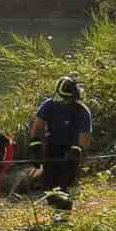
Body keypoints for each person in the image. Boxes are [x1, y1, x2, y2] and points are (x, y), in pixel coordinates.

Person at [29, 77, 91, 210]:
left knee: (65, 184)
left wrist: (76, 150)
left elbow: (84, 138)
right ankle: (56, 209)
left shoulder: (82, 112)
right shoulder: (49, 105)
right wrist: (35, 147)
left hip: (72, 150)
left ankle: (63, 216)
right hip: (52, 147)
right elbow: (38, 126)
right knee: (49, 185)